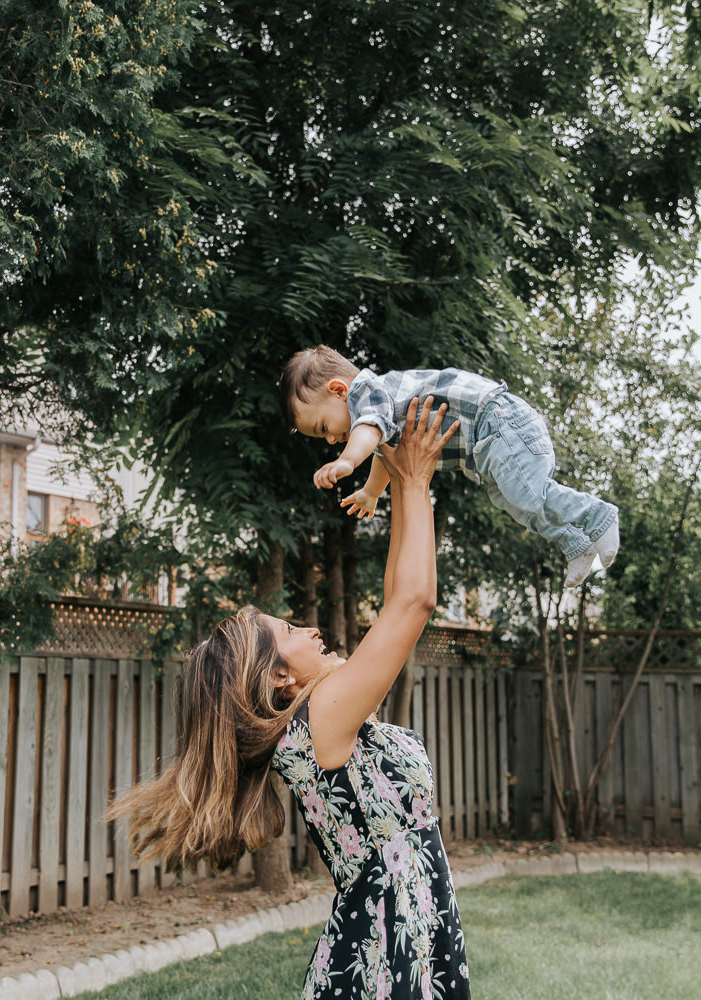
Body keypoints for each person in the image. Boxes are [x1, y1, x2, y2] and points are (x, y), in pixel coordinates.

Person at [108, 398, 469, 1000]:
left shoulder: (325, 716)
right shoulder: (317, 721)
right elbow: (413, 604)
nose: (307, 628)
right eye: (288, 632)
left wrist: (394, 494)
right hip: (383, 965)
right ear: (278, 678)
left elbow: (394, 595)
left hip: (410, 950)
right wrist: (414, 479)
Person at [281, 344, 620, 588]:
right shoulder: (379, 415)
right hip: (489, 445)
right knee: (516, 503)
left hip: (498, 422)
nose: (329, 439)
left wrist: (346, 461)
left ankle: (598, 516)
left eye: (323, 427)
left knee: (528, 495)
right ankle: (575, 542)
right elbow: (384, 451)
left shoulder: (365, 392)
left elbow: (368, 432)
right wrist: (371, 492)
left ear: (339, 391)